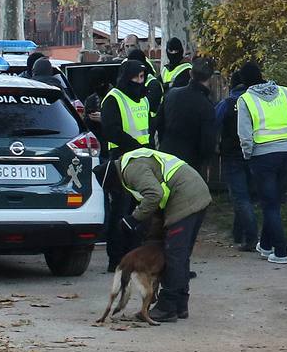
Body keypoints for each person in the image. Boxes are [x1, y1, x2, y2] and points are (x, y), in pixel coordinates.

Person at [116, 147, 211, 323]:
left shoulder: (131, 169)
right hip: (196, 192)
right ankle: (180, 305)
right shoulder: (134, 160)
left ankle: (167, 308)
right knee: (181, 255)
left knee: (174, 255)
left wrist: (134, 219)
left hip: (185, 198)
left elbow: (154, 195)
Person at [237, 63, 287, 265]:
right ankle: (265, 245)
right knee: (274, 202)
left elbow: (245, 135)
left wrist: (248, 155)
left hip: (262, 156)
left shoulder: (246, 99)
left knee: (269, 205)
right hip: (285, 152)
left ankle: (281, 251)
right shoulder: (285, 93)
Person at [100, 60, 154, 271]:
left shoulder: (144, 100)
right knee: (121, 210)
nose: (139, 81)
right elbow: (111, 131)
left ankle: (135, 255)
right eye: (135, 77)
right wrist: (137, 147)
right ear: (126, 77)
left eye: (142, 77)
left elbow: (149, 128)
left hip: (144, 158)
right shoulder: (113, 99)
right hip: (122, 158)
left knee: (140, 210)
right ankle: (116, 259)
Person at [217, 62, 260, 251]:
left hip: (232, 155)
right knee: (248, 195)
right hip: (254, 153)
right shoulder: (256, 100)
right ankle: (238, 232)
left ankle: (251, 237)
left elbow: (213, 123)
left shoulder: (227, 104)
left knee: (240, 197)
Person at [158, 57, 218, 175]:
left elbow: (159, 124)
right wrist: (204, 159)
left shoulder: (172, 94)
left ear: (190, 73)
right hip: (190, 162)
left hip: (166, 155)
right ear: (211, 77)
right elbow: (208, 141)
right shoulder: (206, 105)